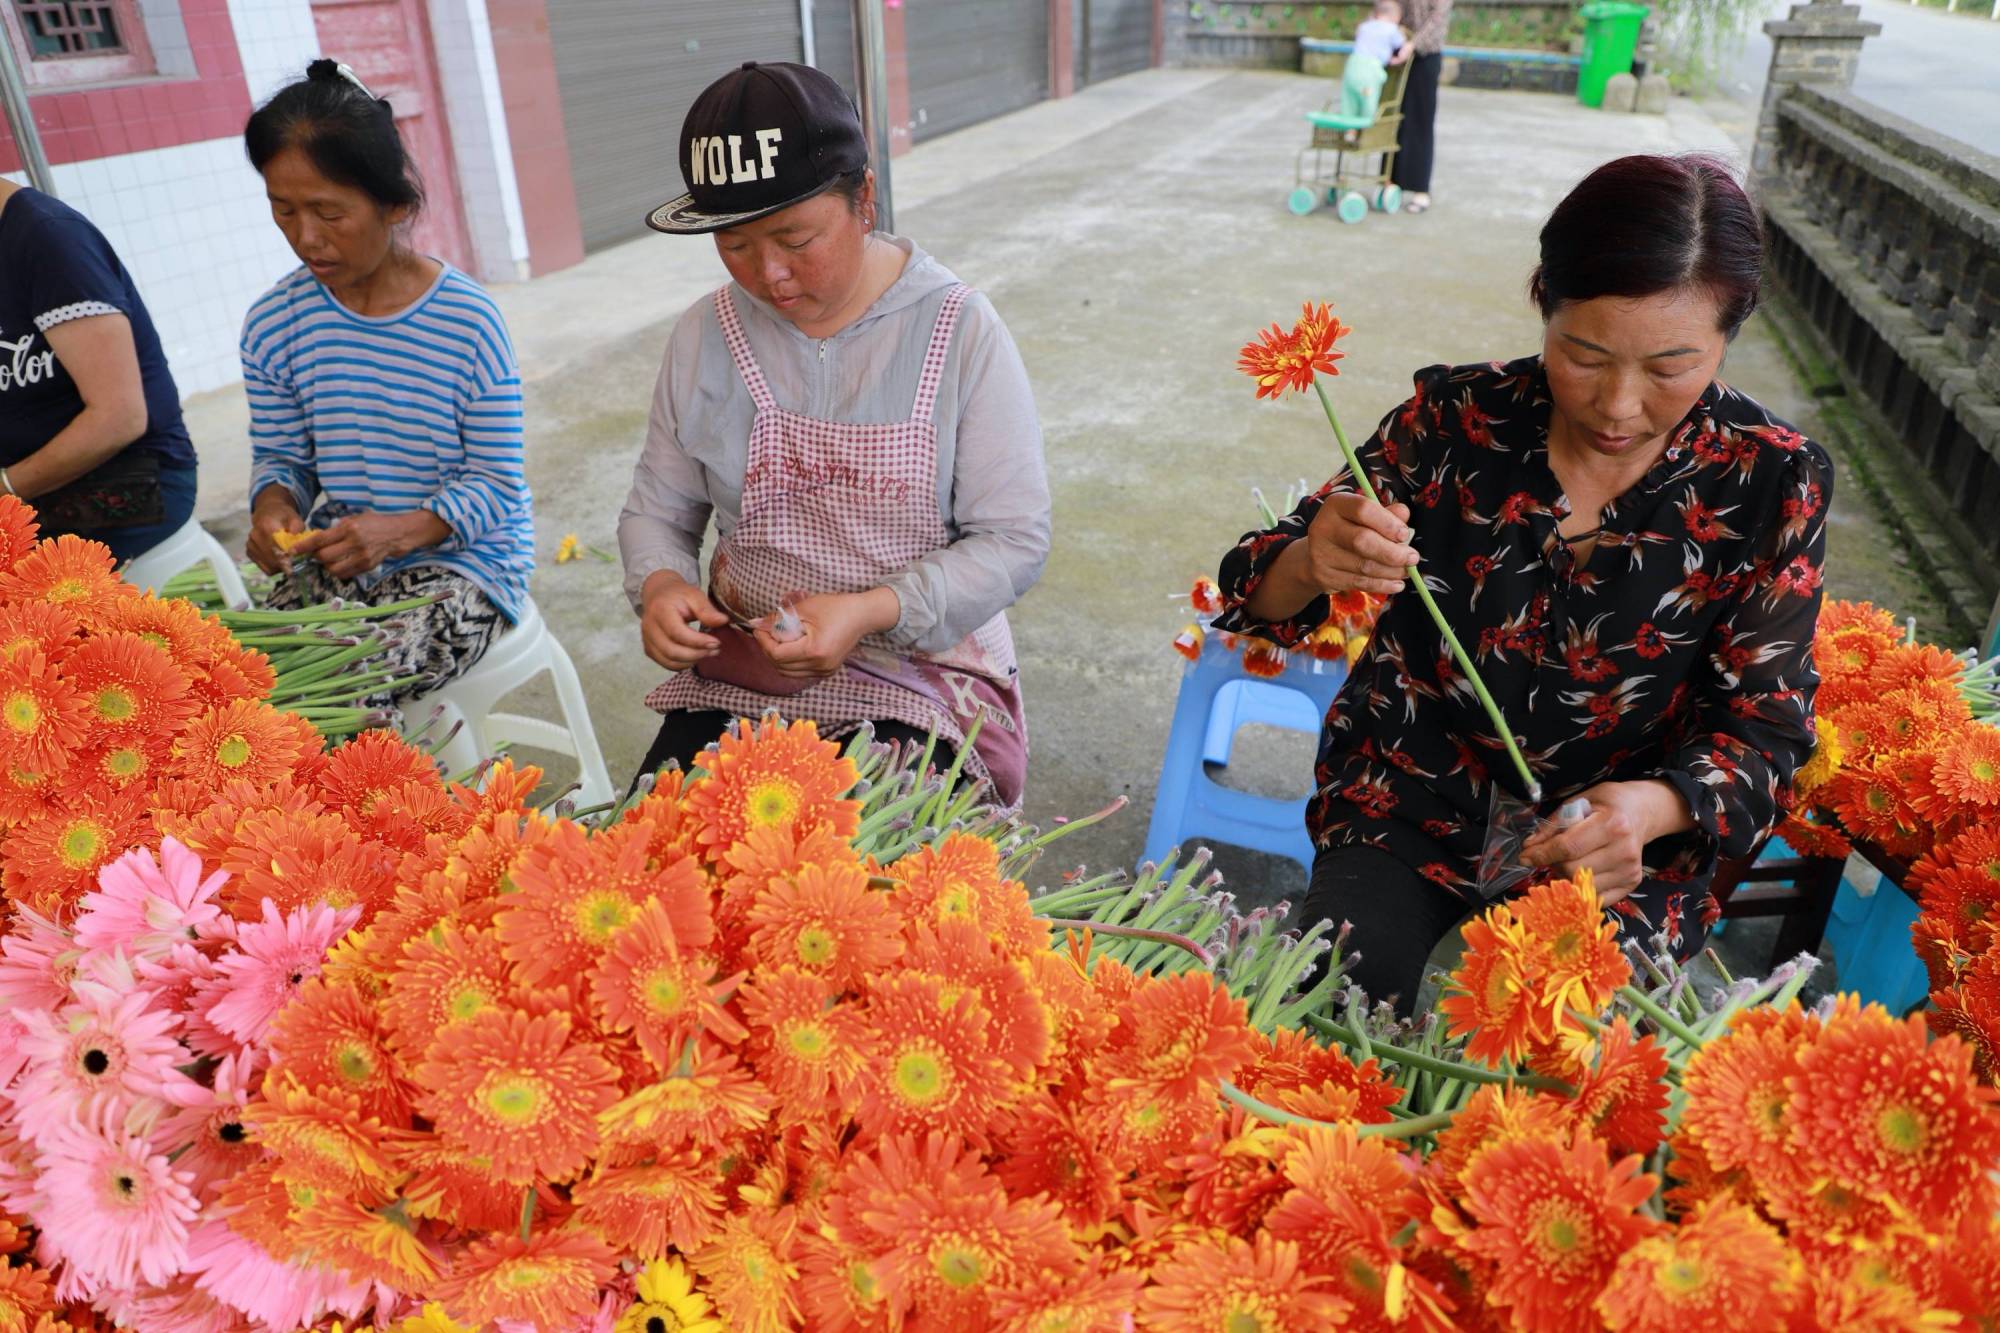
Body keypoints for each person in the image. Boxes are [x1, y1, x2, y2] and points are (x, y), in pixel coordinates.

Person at [1213, 154, 1830, 1013]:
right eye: (1584, 354)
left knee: (1559, 1068)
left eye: (1668, 368)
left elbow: (1766, 732)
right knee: (1335, 1006)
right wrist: (1314, 558)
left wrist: (1648, 812)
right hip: (1413, 798)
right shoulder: (1454, 421)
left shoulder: (1771, 480)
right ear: (1545, 300)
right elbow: (1254, 590)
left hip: (1615, 855)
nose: (1618, 406)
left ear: (1731, 334)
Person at [619, 60, 1051, 805]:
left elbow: (1014, 540)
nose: (770, 275)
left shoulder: (958, 331)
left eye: (796, 237)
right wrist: (659, 582)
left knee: (868, 889)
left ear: (865, 199)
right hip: (750, 662)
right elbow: (659, 509)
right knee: (659, 863)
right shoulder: (703, 335)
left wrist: (869, 608)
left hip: (918, 673)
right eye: (736, 245)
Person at [240, 60, 533, 706]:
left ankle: (394, 805)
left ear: (394, 204)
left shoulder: (467, 322)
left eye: (328, 213)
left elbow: (497, 483)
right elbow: (283, 457)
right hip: (344, 554)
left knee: (347, 685)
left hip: (465, 563)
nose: (305, 237)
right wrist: (272, 507)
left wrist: (401, 530)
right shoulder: (272, 326)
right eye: (283, 210)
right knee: (243, 680)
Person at [0, 180, 198, 561]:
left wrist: (6, 487)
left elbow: (119, 417)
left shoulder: (49, 240)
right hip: (31, 497)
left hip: (126, 486)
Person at [1390, 0, 1452, 213]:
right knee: (1393, 118)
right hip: (1399, 50)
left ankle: (1420, 189)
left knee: (1421, 120)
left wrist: (1413, 44)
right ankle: (1391, 183)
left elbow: (1437, 18)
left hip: (1426, 55)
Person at [1340, 0, 1412, 125]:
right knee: (1368, 102)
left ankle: (1348, 131)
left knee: (1349, 101)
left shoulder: (1364, 26)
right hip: (1370, 70)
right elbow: (1402, 46)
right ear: (1396, 17)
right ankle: (1366, 130)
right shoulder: (1392, 29)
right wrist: (1397, 59)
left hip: (1352, 66)